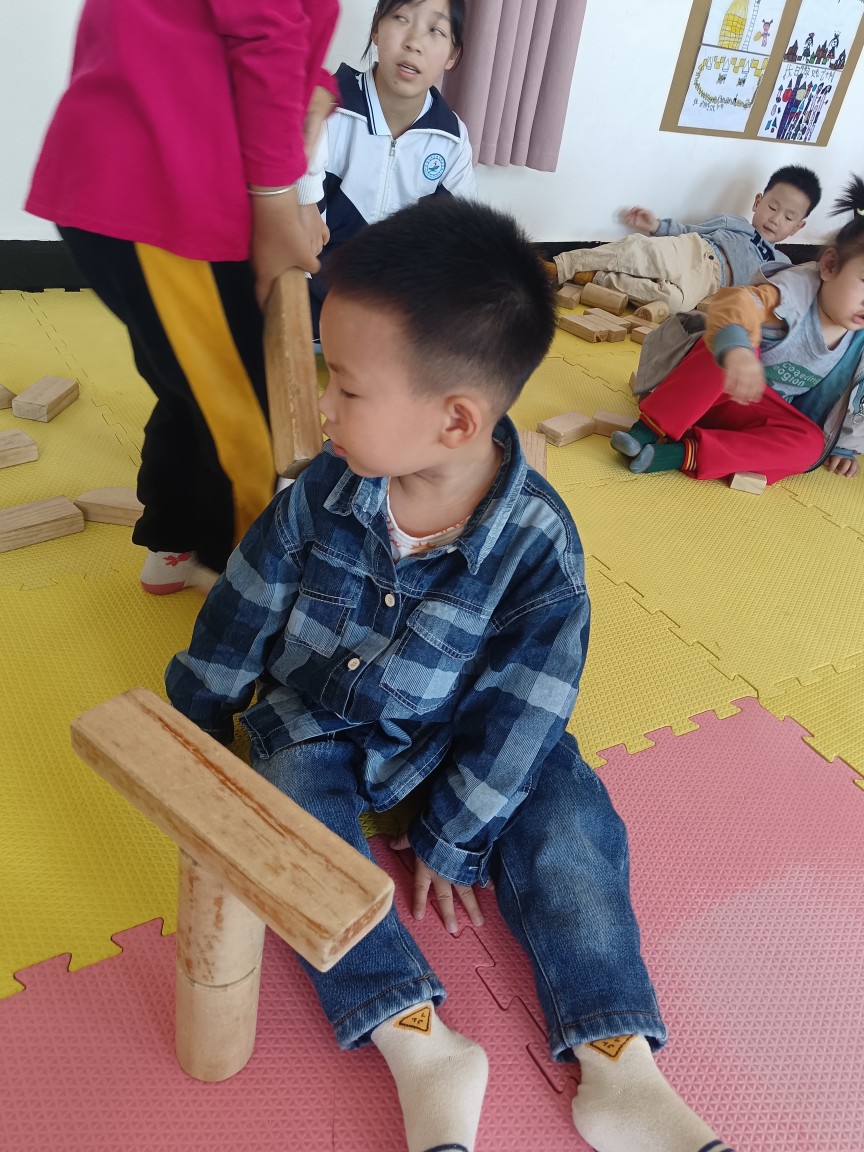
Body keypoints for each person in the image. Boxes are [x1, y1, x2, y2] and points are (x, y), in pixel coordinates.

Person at [165, 198, 734, 1152]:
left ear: (456, 418)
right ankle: (418, 1041)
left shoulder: (539, 547)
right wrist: (193, 729)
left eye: (347, 388)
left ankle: (619, 1060)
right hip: (322, 726)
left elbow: (526, 708)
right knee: (279, 797)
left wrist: (457, 835)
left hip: (469, 736)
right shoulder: (317, 493)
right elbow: (240, 614)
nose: (322, 404)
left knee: (568, 805)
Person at [26, 0, 339, 594]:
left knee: (194, 387)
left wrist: (307, 126)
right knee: (247, 414)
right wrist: (278, 202)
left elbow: (273, 36)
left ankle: (176, 543)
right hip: (169, 185)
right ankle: (247, 591)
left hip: (170, 174)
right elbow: (268, 34)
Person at [612, 176, 864, 485]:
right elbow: (734, 302)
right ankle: (647, 430)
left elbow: (858, 397)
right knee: (731, 337)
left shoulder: (858, 339)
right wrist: (739, 351)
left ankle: (683, 454)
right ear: (829, 266)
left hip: (750, 415)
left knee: (811, 445)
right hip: (698, 392)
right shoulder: (792, 294)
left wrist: (844, 447)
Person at [299, 0, 476, 337]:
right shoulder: (327, 107)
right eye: (401, 18)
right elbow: (295, 225)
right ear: (376, 30)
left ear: (453, 55)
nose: (414, 42)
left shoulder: (451, 138)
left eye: (435, 30)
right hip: (313, 299)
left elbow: (455, 241)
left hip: (393, 313)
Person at [547, 165, 822, 314]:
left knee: (673, 304)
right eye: (772, 207)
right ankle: (561, 266)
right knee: (637, 252)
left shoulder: (780, 263)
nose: (775, 219)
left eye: (788, 217)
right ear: (758, 202)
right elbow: (690, 229)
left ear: (798, 227)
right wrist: (655, 225)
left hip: (709, 286)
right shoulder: (734, 223)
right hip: (695, 250)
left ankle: (594, 277)